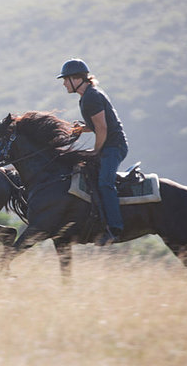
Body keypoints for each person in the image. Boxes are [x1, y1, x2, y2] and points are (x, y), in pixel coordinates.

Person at [57, 58, 128, 244]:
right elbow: (96, 126)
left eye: (66, 79)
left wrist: (95, 151)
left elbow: (103, 129)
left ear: (77, 79)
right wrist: (82, 128)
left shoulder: (91, 97)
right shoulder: (87, 96)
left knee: (105, 182)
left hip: (114, 147)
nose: (64, 83)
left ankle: (115, 228)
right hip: (108, 145)